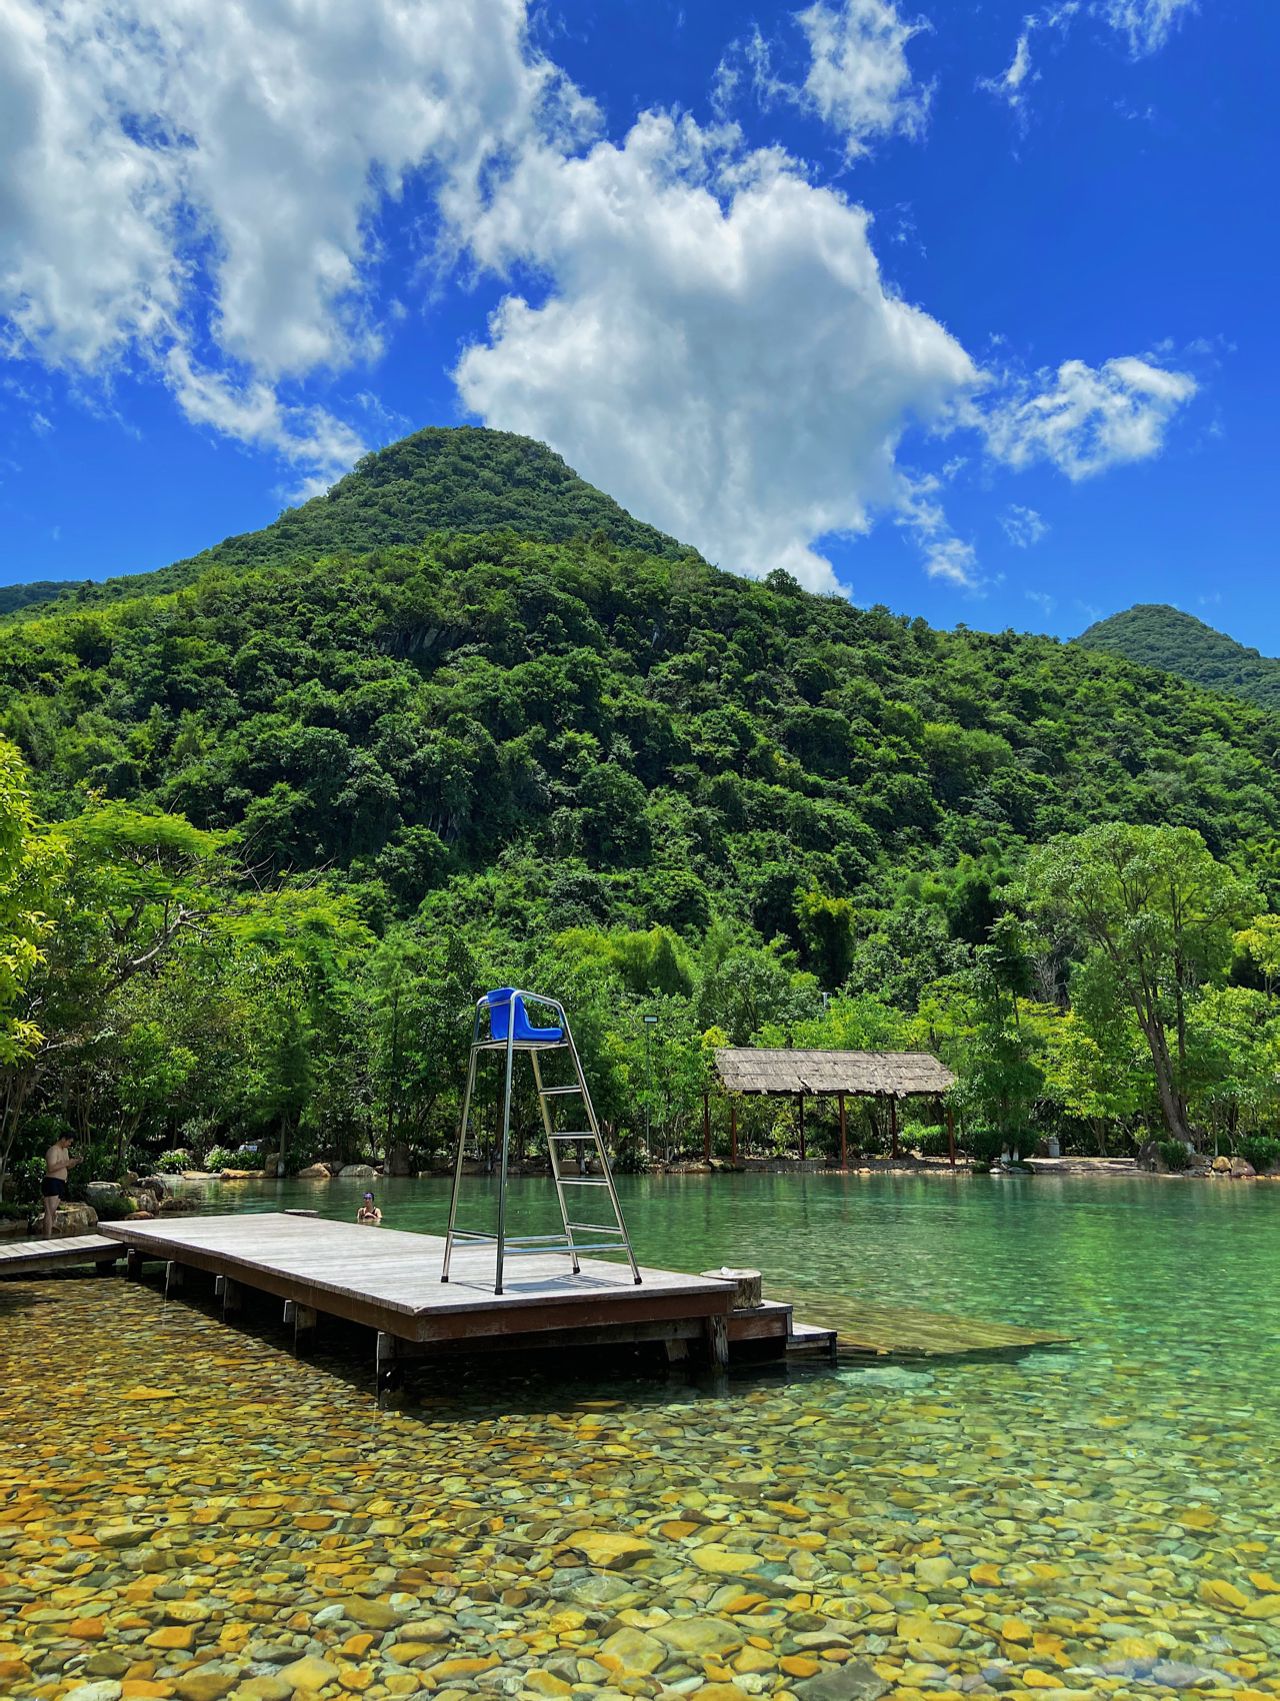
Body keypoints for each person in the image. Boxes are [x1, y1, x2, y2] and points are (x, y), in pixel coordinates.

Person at [42, 1133, 81, 1238]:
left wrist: (75, 1162)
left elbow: (66, 1167)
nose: (69, 1144)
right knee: (49, 1211)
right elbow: (51, 1167)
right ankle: (47, 1237)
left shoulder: (65, 1151)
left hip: (61, 1183)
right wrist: (67, 1162)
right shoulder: (53, 1150)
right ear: (63, 1139)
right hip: (51, 1181)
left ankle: (48, 1234)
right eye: (69, 1142)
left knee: (53, 1212)